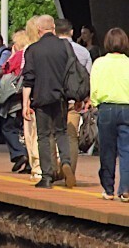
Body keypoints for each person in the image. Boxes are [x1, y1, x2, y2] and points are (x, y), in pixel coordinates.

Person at [22, 15, 76, 189]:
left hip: (41, 98)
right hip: (61, 97)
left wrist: (25, 103)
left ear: (38, 30)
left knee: (44, 136)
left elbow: (28, 79)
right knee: (61, 132)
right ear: (53, 28)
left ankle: (46, 177)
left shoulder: (33, 50)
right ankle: (66, 162)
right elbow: (72, 71)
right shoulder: (65, 46)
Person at [90, 28, 129, 201]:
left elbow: (94, 89)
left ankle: (108, 189)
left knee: (107, 150)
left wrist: (95, 103)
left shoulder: (99, 63)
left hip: (106, 108)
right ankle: (125, 188)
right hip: (127, 109)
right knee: (126, 150)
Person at [55, 18, 92, 179]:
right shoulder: (83, 52)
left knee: (52, 134)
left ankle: (55, 168)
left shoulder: (52, 50)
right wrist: (86, 98)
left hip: (55, 98)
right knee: (71, 135)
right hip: (75, 100)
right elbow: (87, 76)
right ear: (71, 32)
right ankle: (70, 168)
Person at [0, 30, 30, 173]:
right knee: (27, 131)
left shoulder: (18, 55)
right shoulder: (30, 53)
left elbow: (5, 69)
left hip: (15, 96)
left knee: (8, 127)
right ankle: (30, 162)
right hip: (28, 95)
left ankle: (19, 153)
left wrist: (12, 55)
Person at [23, 16, 43, 180]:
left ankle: (36, 166)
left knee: (32, 133)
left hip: (33, 95)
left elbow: (27, 76)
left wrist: (25, 101)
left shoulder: (28, 49)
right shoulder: (52, 47)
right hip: (51, 94)